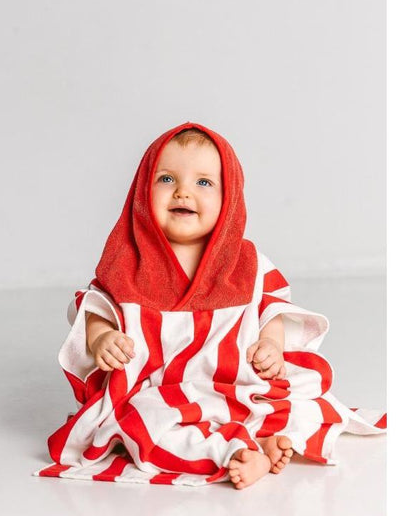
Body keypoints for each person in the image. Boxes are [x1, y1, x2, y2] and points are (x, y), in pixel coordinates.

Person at [34, 122, 386, 489]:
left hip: (232, 384)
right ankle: (231, 452)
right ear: (142, 191)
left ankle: (264, 439)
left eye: (203, 183)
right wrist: (102, 338)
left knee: (296, 404)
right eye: (167, 179)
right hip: (157, 389)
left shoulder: (244, 263)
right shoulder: (127, 263)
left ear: (229, 198)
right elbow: (96, 308)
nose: (183, 191)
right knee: (140, 422)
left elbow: (272, 307)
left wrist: (271, 344)